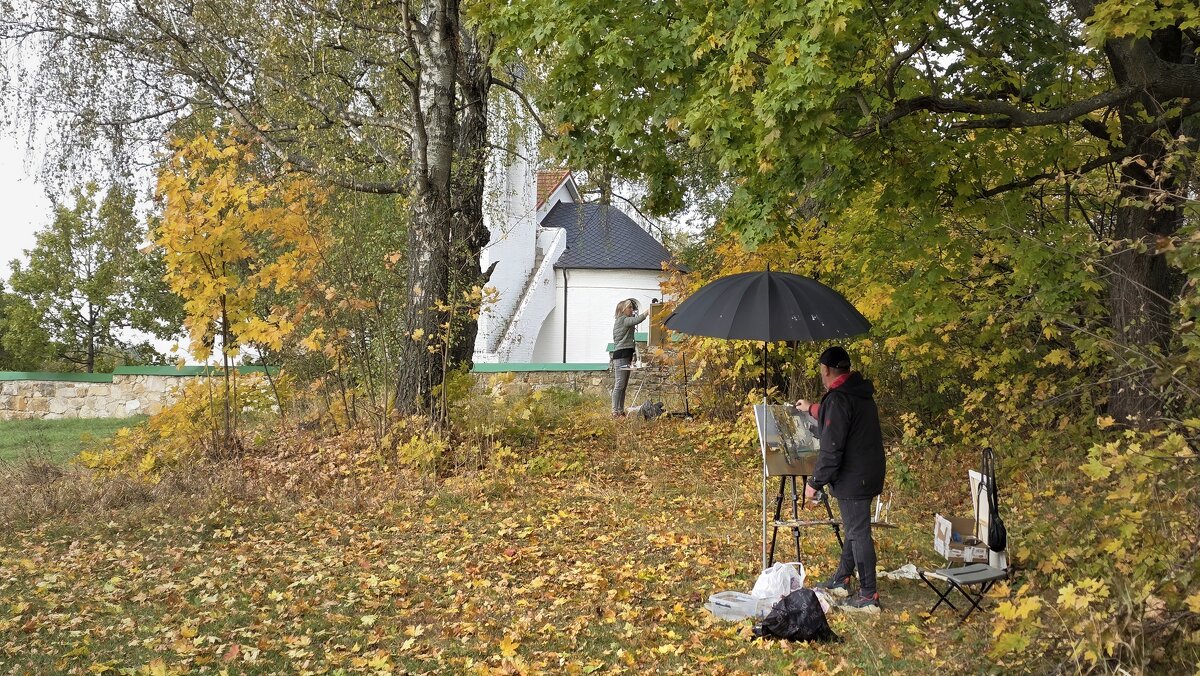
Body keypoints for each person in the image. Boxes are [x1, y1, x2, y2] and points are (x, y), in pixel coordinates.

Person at [795, 345, 886, 612]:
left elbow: (831, 449)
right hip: (868, 472)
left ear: (825, 370)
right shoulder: (857, 392)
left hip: (854, 477)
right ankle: (842, 579)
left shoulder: (838, 399)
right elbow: (838, 416)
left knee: (858, 533)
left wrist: (814, 482)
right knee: (854, 527)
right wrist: (811, 408)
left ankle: (868, 596)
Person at [611, 298, 649, 417]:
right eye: (630, 307)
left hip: (626, 354)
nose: (632, 309)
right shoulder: (623, 320)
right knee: (619, 385)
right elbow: (637, 320)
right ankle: (614, 411)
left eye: (632, 307)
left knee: (623, 386)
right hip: (621, 355)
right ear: (623, 309)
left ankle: (620, 410)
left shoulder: (624, 320)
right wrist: (647, 312)